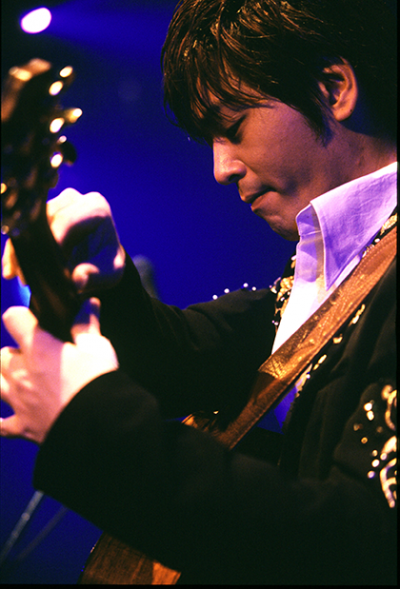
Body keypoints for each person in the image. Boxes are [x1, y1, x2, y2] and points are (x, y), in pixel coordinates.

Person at [0, 0, 397, 584]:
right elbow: (190, 355)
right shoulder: (331, 264)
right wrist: (110, 281)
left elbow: (359, 545)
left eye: (232, 128)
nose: (220, 168)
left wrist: (92, 429)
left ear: (333, 88)